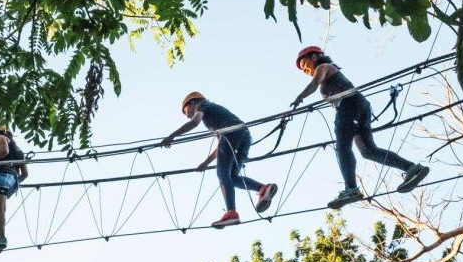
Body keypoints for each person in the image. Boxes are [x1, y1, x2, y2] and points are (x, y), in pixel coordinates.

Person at [291, 47, 429, 209]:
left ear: (314, 57)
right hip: (358, 107)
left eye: (304, 63)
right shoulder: (326, 75)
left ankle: (351, 189)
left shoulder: (323, 67)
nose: (304, 69)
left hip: (349, 106)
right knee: (368, 151)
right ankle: (412, 168)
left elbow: (314, 84)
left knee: (342, 147)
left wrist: (300, 97)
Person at [160, 92, 278, 228]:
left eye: (187, 112)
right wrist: (206, 162)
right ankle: (263, 188)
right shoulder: (215, 114)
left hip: (230, 133)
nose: (188, 116)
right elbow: (221, 146)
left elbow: (194, 123)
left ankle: (231, 213)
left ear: (192, 103)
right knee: (232, 178)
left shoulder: (203, 106)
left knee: (222, 174)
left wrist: (172, 136)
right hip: (244, 135)